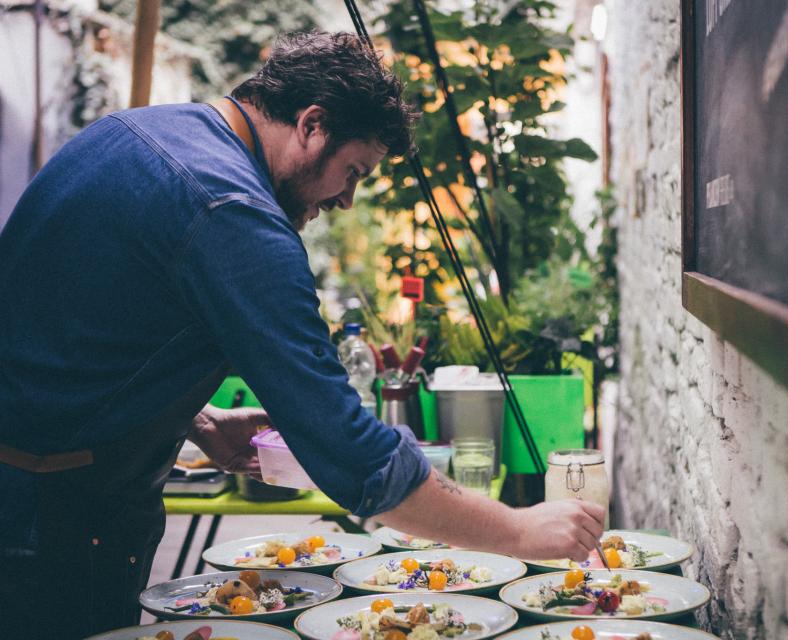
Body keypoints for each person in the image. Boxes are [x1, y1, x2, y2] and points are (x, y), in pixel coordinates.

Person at [0, 31, 605, 638]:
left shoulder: (135, 131)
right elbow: (350, 454)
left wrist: (196, 418)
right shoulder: (235, 214)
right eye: (353, 172)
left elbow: (73, 332)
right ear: (312, 125)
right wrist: (519, 531)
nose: (345, 200)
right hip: (52, 519)